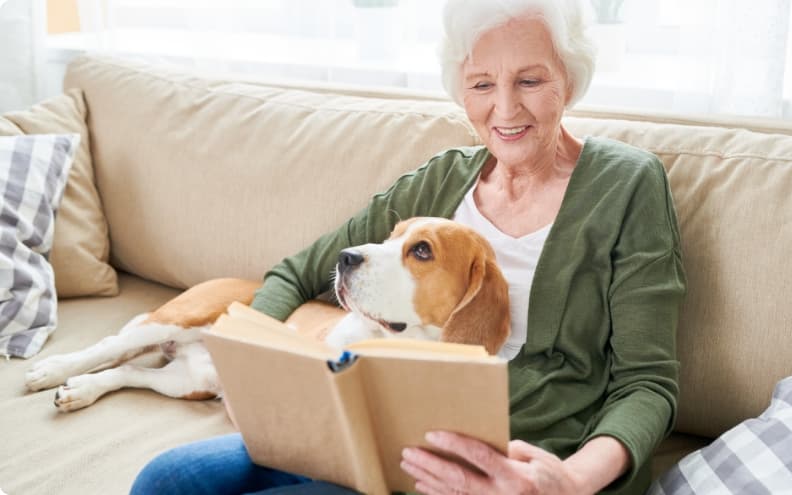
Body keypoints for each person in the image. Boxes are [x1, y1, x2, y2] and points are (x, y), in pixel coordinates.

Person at [131, 0, 686, 493]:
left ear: (569, 78)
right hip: (371, 428)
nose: (506, 110)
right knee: (165, 480)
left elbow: (648, 383)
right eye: (482, 84)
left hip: (511, 463)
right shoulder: (439, 182)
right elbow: (296, 274)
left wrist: (569, 480)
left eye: (530, 81)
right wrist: (251, 373)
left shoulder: (627, 184)